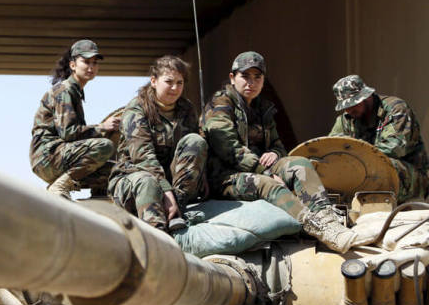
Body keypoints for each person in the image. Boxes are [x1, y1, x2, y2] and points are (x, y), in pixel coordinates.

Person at [200, 51, 357, 253]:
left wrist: (275, 152)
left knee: (300, 164)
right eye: (245, 76)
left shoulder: (263, 108)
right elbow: (229, 148)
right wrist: (265, 172)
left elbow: (279, 145)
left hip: (257, 168)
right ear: (233, 78)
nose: (251, 83)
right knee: (269, 184)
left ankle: (329, 221)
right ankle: (314, 227)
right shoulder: (220, 104)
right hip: (224, 177)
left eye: (257, 77)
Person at [108, 55, 207, 232]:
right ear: (154, 81)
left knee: (196, 141)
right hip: (135, 177)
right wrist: (166, 192)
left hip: (173, 185)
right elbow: (143, 158)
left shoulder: (187, 109)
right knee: (148, 182)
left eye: (180, 82)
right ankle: (157, 235)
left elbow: (192, 151)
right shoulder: (137, 109)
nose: (175, 88)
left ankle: (178, 210)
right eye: (169, 82)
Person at [30, 39, 120, 198]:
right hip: (48, 156)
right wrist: (102, 128)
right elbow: (68, 133)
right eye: (86, 62)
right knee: (104, 146)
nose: (91, 67)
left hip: (58, 156)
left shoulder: (76, 91)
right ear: (73, 65)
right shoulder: (65, 90)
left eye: (95, 63)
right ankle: (60, 186)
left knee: (117, 169)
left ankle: (99, 200)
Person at [329, 75, 429, 202]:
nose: (349, 110)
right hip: (365, 173)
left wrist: (356, 155)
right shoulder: (346, 119)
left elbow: (396, 147)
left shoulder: (396, 109)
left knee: (379, 165)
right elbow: (331, 148)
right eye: (345, 107)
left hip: (409, 177)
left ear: (367, 97)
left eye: (354, 103)